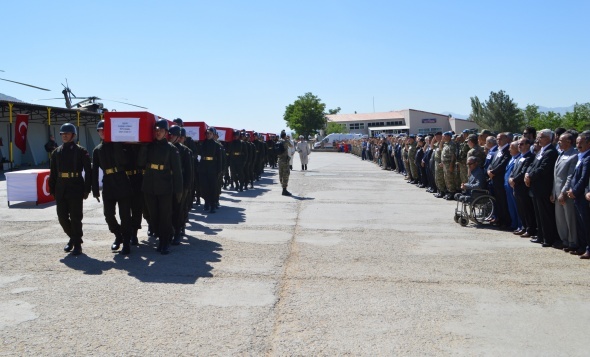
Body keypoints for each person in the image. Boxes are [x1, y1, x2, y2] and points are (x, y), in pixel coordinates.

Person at [138, 119, 183, 255]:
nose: (158, 133)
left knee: (165, 216)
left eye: (161, 130)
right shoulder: (149, 146)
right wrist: (144, 147)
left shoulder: (171, 149)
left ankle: (164, 242)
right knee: (154, 216)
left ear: (166, 133)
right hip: (149, 186)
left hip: (164, 187)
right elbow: (140, 163)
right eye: (156, 130)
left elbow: (177, 172)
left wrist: (179, 191)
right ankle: (164, 235)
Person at [48, 123, 92, 255]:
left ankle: (77, 243)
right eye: (62, 133)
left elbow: (89, 172)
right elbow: (53, 172)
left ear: (73, 135)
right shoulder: (56, 152)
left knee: (76, 217)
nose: (64, 135)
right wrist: (52, 189)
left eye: (67, 133)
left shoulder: (81, 151)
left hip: (75, 187)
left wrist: (87, 189)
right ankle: (73, 238)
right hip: (61, 187)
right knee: (62, 217)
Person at [92, 120, 134, 254]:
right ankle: (118, 235)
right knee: (108, 215)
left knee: (125, 215)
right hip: (108, 183)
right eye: (100, 130)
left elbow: (125, 162)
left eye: (105, 130)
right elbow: (94, 171)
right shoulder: (97, 150)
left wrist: (116, 145)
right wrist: (94, 189)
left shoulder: (120, 145)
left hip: (122, 180)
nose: (102, 132)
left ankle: (126, 241)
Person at [525, 129, 559, 248]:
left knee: (545, 214)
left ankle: (548, 238)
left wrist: (530, 176)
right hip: (535, 187)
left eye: (541, 137)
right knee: (538, 214)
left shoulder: (551, 152)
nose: (538, 139)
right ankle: (540, 235)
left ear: (549, 138)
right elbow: (532, 165)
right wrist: (527, 174)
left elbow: (543, 169)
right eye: (538, 137)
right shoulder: (541, 151)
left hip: (543, 187)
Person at [551, 132, 578, 250]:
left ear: (569, 142)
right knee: (560, 219)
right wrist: (553, 192)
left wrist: (563, 192)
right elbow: (556, 176)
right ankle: (564, 240)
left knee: (569, 218)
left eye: (561, 140)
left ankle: (573, 242)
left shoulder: (574, 155)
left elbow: (570, 176)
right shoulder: (561, 154)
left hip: (565, 193)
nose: (558, 142)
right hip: (556, 192)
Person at [169, 125, 193, 245]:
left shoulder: (185, 151)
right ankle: (170, 230)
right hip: (168, 183)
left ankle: (177, 231)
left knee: (178, 209)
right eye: (170, 135)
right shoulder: (167, 148)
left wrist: (187, 187)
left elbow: (189, 171)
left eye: (173, 135)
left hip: (181, 185)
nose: (171, 137)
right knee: (168, 209)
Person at [509, 138, 536, 238]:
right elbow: (514, 170)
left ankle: (530, 229)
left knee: (527, 209)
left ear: (528, 145)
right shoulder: (520, 157)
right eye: (519, 144)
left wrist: (514, 180)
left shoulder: (530, 157)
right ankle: (524, 227)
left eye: (522, 144)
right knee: (521, 209)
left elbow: (524, 172)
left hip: (523, 188)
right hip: (516, 187)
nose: (519, 146)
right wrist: (511, 178)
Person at [569, 131, 590, 257]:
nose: (578, 145)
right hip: (576, 195)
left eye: (581, 142)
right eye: (577, 142)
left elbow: (584, 178)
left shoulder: (588, 158)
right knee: (580, 224)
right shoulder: (581, 156)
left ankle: (588, 248)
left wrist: (574, 191)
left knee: (586, 224)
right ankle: (582, 246)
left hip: (582, 195)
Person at [198, 127, 223, 213]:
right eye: (207, 133)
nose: (208, 135)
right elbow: (199, 155)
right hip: (203, 168)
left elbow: (219, 159)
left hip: (213, 168)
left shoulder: (216, 145)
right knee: (204, 187)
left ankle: (212, 205)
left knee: (213, 188)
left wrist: (219, 170)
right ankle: (206, 203)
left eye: (210, 134)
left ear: (213, 135)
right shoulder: (202, 144)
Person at [278, 130, 293, 196]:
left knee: (281, 174)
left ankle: (282, 186)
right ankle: (284, 190)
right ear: (284, 135)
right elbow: (291, 146)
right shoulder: (286, 141)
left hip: (279, 161)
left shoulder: (278, 141)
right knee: (286, 174)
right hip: (285, 161)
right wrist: (287, 139)